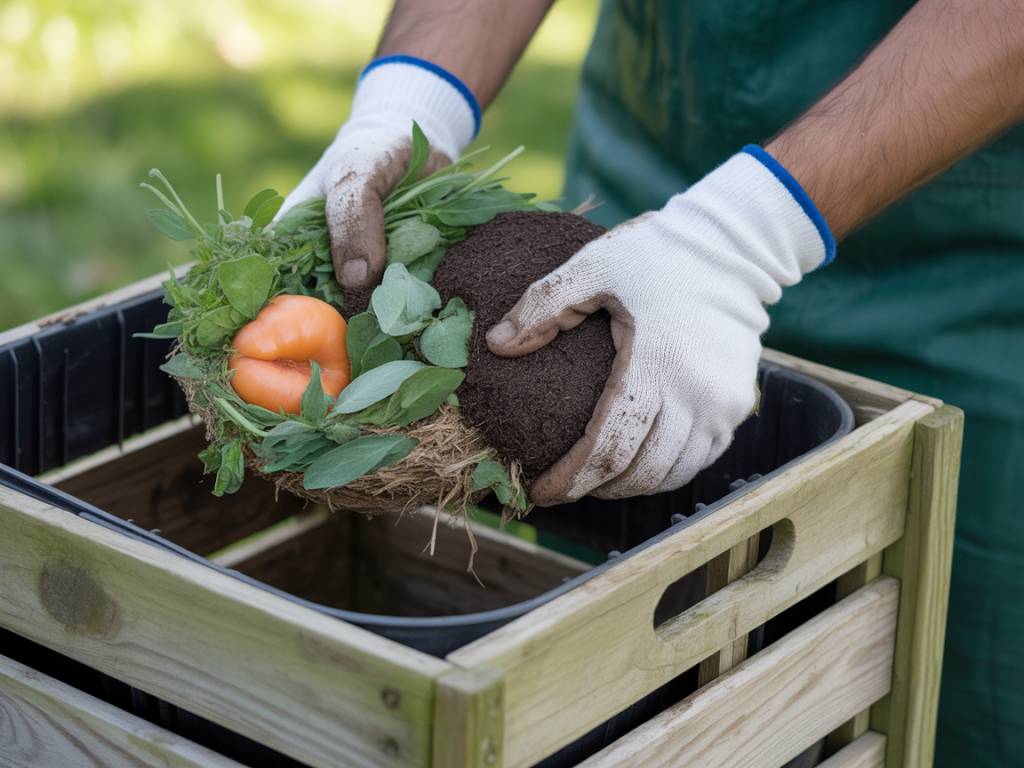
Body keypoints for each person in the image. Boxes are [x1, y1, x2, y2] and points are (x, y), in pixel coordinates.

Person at [275, 2, 1024, 763]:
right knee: (600, 694)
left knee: (941, 695)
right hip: (641, 222)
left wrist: (743, 235)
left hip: (961, 280)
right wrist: (412, 101)